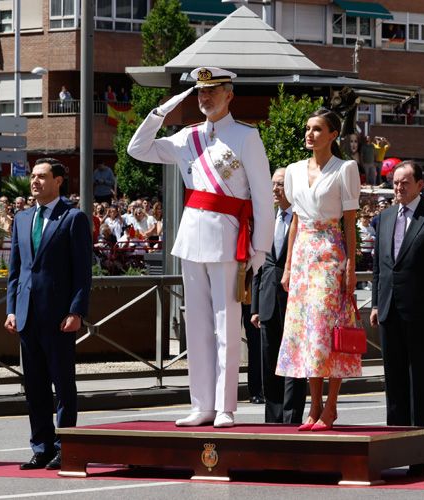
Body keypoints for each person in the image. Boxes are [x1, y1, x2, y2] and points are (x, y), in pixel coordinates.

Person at [127, 67, 274, 428]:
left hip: (227, 237)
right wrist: (161, 111)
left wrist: (260, 249)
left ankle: (225, 406)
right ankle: (202, 404)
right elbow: (137, 148)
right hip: (192, 237)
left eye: (212, 92)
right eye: (200, 93)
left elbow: (263, 195)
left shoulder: (245, 137)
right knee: (196, 326)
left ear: (229, 95)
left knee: (226, 325)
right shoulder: (186, 137)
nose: (205, 99)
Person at [276, 108, 362, 432]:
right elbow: (295, 219)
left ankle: (331, 405)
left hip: (330, 252)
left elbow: (350, 223)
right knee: (307, 329)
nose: (309, 134)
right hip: (302, 256)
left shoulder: (346, 168)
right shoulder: (295, 170)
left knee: (330, 327)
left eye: (316, 129)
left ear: (332, 135)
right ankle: (313, 406)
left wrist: (351, 266)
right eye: (308, 128)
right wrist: (287, 267)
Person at [5, 158, 92, 470]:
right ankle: (40, 446)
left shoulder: (73, 218)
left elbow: (83, 272)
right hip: (27, 315)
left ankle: (63, 446)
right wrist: (11, 309)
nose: (35, 181)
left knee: (63, 386)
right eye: (33, 176)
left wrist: (76, 311)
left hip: (59, 317)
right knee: (35, 387)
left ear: (58, 181)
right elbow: (15, 270)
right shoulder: (22, 218)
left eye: (42, 176)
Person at [370, 161, 424, 442]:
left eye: (405, 182)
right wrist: (374, 303)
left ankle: (420, 436)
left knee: (420, 374)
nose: (399, 187)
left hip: (421, 308)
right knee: (393, 376)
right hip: (388, 306)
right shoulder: (384, 217)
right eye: (395, 182)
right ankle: (395, 436)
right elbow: (379, 266)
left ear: (420, 185)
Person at [251, 168, 307, 423]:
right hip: (267, 300)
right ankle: (272, 419)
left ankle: (291, 417)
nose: (275, 189)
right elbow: (258, 264)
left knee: (294, 360)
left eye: (281, 184)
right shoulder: (266, 219)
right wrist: (255, 306)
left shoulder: (302, 219)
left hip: (294, 299)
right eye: (273, 183)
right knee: (269, 360)